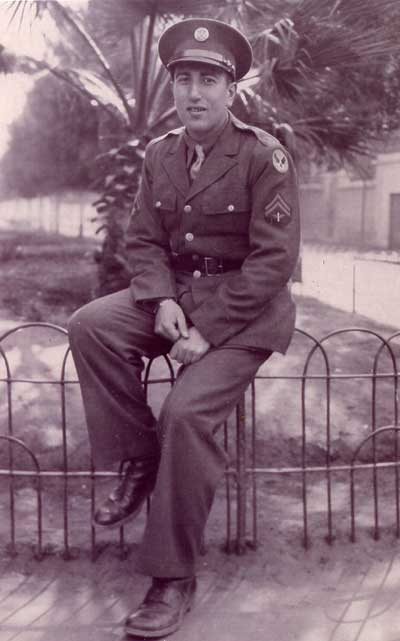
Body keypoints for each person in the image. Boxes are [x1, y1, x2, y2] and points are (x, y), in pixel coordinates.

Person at [68, 17, 300, 638]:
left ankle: (173, 577)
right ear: (173, 87)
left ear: (231, 89)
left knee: (186, 414)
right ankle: (138, 460)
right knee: (91, 325)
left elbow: (275, 262)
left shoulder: (264, 155)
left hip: (246, 312)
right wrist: (161, 298)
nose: (194, 93)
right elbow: (144, 240)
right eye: (184, 80)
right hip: (177, 295)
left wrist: (208, 329)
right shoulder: (160, 153)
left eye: (208, 81)